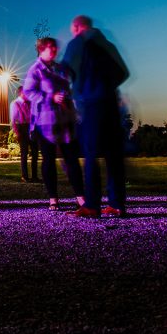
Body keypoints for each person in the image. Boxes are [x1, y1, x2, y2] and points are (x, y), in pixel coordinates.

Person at [62, 15, 129, 219]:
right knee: (113, 154)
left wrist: (80, 90)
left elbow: (66, 70)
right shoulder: (108, 44)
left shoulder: (77, 43)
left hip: (91, 104)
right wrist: (106, 86)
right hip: (110, 101)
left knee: (90, 154)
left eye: (73, 28)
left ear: (78, 27)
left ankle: (92, 205)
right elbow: (123, 72)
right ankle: (117, 204)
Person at [23, 37, 86, 212]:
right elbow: (29, 92)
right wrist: (49, 97)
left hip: (65, 120)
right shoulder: (36, 70)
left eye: (55, 47)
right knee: (49, 160)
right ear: (41, 50)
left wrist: (69, 98)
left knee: (71, 159)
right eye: (49, 47)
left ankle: (80, 197)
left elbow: (69, 86)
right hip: (45, 122)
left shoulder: (60, 69)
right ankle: (53, 198)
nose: (53, 50)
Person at [9, 86, 38, 182]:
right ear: (21, 93)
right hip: (22, 128)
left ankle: (34, 176)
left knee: (35, 153)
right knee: (24, 153)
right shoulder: (15, 103)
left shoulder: (30, 103)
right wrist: (17, 132)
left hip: (31, 127)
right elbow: (13, 120)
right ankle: (24, 176)